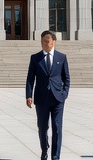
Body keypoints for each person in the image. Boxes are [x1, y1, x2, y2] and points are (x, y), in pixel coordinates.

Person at [25, 30, 70, 160]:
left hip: (57, 99)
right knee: (42, 127)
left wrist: (64, 93)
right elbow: (30, 78)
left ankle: (56, 156)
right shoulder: (35, 58)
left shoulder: (61, 57)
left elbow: (66, 78)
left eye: (47, 41)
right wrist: (28, 95)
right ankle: (44, 150)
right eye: (43, 41)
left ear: (53, 42)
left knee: (57, 128)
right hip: (41, 99)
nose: (45, 43)